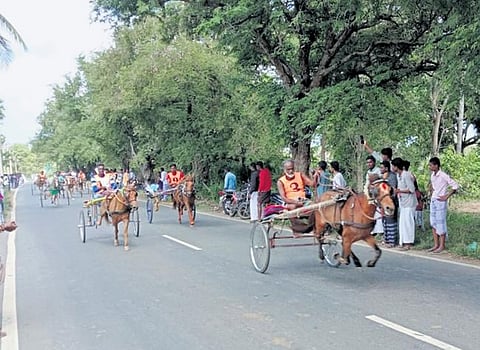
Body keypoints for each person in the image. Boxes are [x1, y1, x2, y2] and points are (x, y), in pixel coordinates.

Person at [427, 157, 459, 253]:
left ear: (436, 165)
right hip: (434, 199)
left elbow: (455, 185)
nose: (430, 167)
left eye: (431, 165)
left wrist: (447, 196)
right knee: (433, 222)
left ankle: (442, 245)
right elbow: (433, 185)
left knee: (441, 223)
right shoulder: (433, 175)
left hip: (440, 201)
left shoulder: (443, 175)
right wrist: (431, 191)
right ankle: (436, 244)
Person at [277, 159, 314, 237]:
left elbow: (312, 184)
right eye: (288, 169)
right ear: (284, 170)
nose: (291, 171)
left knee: (315, 206)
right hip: (290, 202)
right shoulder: (280, 181)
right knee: (292, 208)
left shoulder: (300, 175)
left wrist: (315, 176)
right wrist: (296, 202)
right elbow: (283, 198)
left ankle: (311, 227)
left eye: (292, 169)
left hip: (303, 200)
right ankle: (296, 230)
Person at [392, 158, 417, 250]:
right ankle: (403, 242)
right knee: (402, 223)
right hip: (403, 202)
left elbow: (411, 189)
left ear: (396, 167)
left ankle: (409, 243)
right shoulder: (399, 175)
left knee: (408, 223)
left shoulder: (406, 175)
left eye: (393, 166)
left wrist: (399, 190)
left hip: (410, 203)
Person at [379, 160, 398, 248]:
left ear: (386, 168)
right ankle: (386, 239)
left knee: (391, 221)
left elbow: (393, 190)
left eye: (382, 167)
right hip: (383, 202)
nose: (380, 169)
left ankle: (392, 241)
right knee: (385, 221)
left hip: (390, 201)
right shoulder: (382, 177)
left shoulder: (392, 176)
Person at [365, 155, 383, 236]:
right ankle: (372, 230)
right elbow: (367, 183)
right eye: (367, 163)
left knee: (378, 212)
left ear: (374, 162)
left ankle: (380, 231)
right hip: (370, 194)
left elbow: (381, 180)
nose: (369, 164)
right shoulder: (368, 172)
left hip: (378, 194)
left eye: (370, 162)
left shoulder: (378, 170)